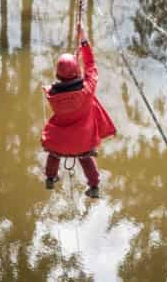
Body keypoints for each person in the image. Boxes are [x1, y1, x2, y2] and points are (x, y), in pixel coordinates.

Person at [40, 23, 116, 197]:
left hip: (58, 141)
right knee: (85, 157)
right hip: (83, 142)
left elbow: (56, 88)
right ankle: (94, 186)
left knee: (54, 154)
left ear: (58, 75)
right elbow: (91, 65)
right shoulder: (87, 89)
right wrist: (83, 39)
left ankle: (50, 178)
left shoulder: (52, 94)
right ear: (77, 72)